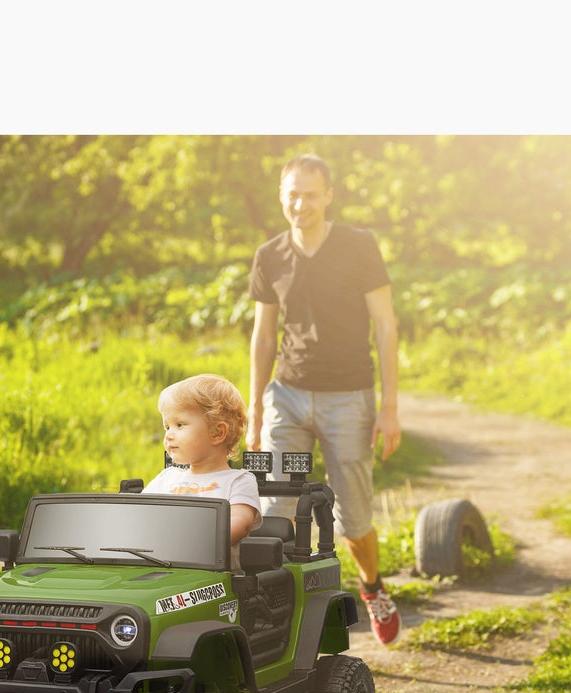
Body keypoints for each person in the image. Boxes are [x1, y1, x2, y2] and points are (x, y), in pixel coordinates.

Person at [246, 152, 402, 645]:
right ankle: (281, 613)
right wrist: (254, 409)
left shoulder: (359, 246)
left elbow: (386, 324)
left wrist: (390, 406)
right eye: (292, 194)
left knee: (353, 518)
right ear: (281, 197)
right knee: (278, 508)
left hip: (348, 400)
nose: (301, 204)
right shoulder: (270, 255)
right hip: (287, 399)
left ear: (328, 195)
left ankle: (372, 587)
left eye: (311, 194)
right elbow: (264, 335)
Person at [143, 373, 262, 568]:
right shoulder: (167, 478)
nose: (169, 435)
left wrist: (192, 543)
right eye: (167, 426)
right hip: (160, 572)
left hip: (215, 583)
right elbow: (139, 514)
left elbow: (241, 522)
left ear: (217, 433)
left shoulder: (238, 480)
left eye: (179, 425)